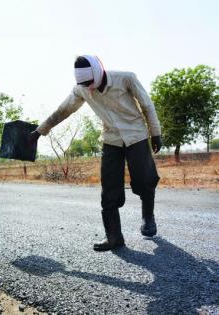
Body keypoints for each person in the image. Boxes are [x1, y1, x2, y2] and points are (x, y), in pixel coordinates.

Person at [29, 55, 162, 251]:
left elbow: (147, 105)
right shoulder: (82, 88)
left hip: (136, 136)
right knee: (109, 189)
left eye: (90, 82)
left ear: (98, 72)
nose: (88, 87)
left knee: (144, 180)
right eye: (84, 84)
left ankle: (148, 217)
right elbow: (63, 110)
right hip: (111, 140)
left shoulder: (126, 78)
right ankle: (114, 237)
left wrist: (155, 133)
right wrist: (40, 131)